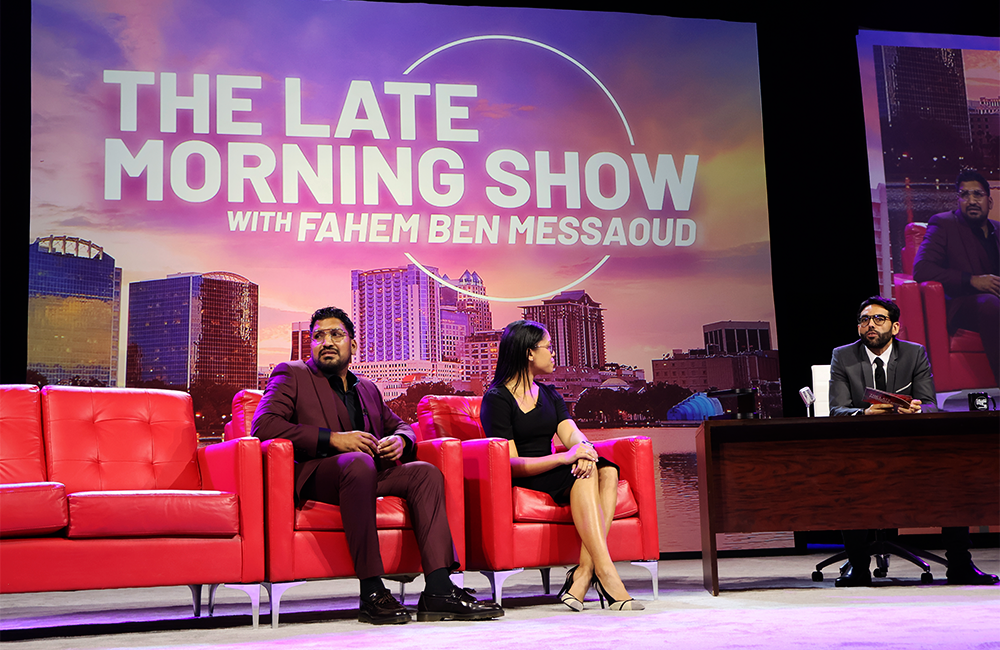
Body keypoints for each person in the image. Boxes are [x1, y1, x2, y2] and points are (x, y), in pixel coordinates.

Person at [252, 306, 504, 624]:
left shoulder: (367, 388)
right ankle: (372, 591)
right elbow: (264, 426)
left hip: (365, 475)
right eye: (318, 336)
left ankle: (439, 590)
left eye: (336, 334)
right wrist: (334, 440)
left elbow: (401, 426)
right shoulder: (292, 374)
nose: (326, 342)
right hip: (317, 475)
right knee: (358, 463)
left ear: (353, 345)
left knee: (425, 474)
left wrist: (400, 441)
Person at [829, 296, 998, 587]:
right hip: (863, 448)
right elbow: (837, 410)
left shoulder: (914, 353)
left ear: (895, 327)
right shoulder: (843, 356)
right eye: (864, 320)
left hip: (910, 445)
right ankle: (858, 566)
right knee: (846, 479)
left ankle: (960, 565)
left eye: (879, 319)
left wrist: (916, 410)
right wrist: (864, 413)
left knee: (954, 478)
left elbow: (931, 404)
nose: (870, 325)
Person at [479, 320, 644, 611]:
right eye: (549, 347)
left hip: (556, 471)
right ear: (529, 353)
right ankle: (605, 573)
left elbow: (572, 435)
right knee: (583, 474)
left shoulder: (551, 395)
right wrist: (565, 457)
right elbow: (511, 464)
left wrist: (583, 450)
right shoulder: (497, 399)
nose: (553, 354)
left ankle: (584, 573)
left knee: (606, 469)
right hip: (528, 474)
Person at [913, 169, 999, 385]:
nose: (971, 201)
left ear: (989, 201)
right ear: (958, 200)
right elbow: (921, 269)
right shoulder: (944, 224)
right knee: (990, 304)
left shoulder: (998, 229)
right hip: (964, 305)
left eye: (977, 194)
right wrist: (972, 280)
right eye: (964, 195)